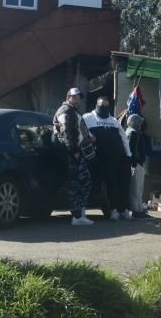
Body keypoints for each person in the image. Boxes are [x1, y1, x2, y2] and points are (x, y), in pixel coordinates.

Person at [82, 96, 131, 220]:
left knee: (124, 183)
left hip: (120, 157)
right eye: (101, 106)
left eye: (106, 106)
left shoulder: (113, 120)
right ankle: (113, 210)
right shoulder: (88, 118)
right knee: (111, 183)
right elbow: (82, 132)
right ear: (96, 105)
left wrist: (128, 155)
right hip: (103, 158)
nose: (104, 108)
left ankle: (124, 209)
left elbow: (123, 137)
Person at [53, 87, 93, 226]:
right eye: (74, 97)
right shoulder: (66, 111)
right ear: (68, 97)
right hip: (72, 153)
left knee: (82, 182)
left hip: (76, 152)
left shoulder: (73, 111)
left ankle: (79, 213)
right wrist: (74, 150)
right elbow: (67, 132)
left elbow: (77, 130)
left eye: (79, 98)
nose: (77, 100)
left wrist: (89, 137)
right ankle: (77, 215)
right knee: (76, 183)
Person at [125, 114, 151, 218]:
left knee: (136, 189)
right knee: (137, 189)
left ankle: (139, 208)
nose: (141, 125)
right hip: (136, 165)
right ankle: (137, 210)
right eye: (139, 122)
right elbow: (132, 150)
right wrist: (135, 163)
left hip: (134, 164)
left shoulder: (128, 132)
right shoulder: (133, 133)